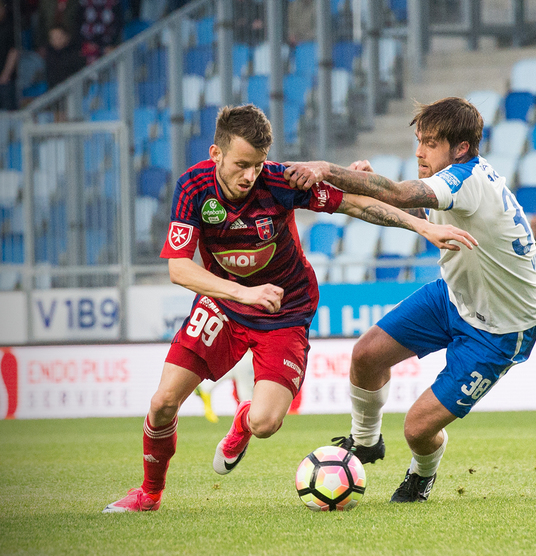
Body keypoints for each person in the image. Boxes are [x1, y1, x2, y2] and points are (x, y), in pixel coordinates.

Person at [103, 104, 477, 513]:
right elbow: (178, 268)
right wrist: (241, 293)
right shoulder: (194, 187)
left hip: (285, 310)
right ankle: (149, 494)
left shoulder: (279, 181)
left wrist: (422, 225)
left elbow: (353, 204)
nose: (250, 175)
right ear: (216, 154)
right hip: (223, 306)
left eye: (258, 164)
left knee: (265, 424)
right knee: (162, 403)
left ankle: (244, 421)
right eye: (241, 165)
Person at [284, 97, 536, 503]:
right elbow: (415, 206)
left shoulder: (466, 180)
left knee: (417, 429)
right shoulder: (452, 180)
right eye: (419, 141)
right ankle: (365, 443)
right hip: (454, 298)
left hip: (500, 329)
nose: (420, 152)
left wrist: (325, 170)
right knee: (366, 355)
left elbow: (401, 194)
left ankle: (421, 477)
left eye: (431, 143)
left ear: (460, 148)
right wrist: (370, 183)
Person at [194, 350, 255, 423]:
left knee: (227, 372)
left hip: (237, 354)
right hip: (248, 357)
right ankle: (246, 419)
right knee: (247, 393)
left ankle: (205, 387)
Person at [0, 2, 20, 111]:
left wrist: (5, 74)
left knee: (9, 113)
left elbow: (14, 52)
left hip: (6, 80)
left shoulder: (10, 27)